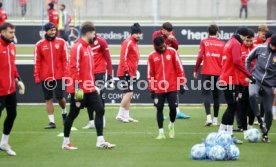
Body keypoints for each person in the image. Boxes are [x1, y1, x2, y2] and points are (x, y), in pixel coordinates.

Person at [63, 21, 115, 149]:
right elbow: (74, 71)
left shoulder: (88, 47)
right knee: (72, 115)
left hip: (90, 88)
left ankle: (100, 141)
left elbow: (89, 70)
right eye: (93, 33)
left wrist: (93, 85)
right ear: (88, 33)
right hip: (79, 90)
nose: (95, 36)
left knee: (100, 109)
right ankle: (65, 143)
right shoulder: (78, 47)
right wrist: (77, 93)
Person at [218, 27, 255, 144]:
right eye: (246, 38)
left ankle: (229, 135)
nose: (245, 41)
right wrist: (249, 75)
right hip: (230, 79)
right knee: (231, 107)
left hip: (227, 78)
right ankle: (220, 134)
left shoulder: (229, 42)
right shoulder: (236, 44)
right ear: (243, 36)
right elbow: (237, 62)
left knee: (232, 107)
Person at [147, 36, 186, 139]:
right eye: (160, 47)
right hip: (158, 88)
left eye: (164, 45)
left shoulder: (172, 52)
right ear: (155, 46)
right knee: (159, 109)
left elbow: (179, 69)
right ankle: (161, 133)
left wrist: (181, 83)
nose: (163, 48)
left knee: (173, 108)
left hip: (172, 86)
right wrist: (151, 89)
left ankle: (171, 125)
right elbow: (150, 74)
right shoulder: (151, 56)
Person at [152, 22, 190, 119]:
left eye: (170, 32)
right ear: (163, 30)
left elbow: (176, 47)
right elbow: (156, 46)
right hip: (160, 61)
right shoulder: (156, 34)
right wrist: (166, 39)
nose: (169, 34)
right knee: (160, 87)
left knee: (173, 85)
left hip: (169, 61)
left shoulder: (170, 34)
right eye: (168, 32)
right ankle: (159, 111)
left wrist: (173, 41)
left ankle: (177, 111)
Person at [34, 22, 68, 129]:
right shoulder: (39, 44)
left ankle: (64, 112)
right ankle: (52, 122)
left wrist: (66, 74)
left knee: (60, 97)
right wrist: (36, 75)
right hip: (46, 77)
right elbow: (37, 61)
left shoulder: (62, 42)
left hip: (59, 76)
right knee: (48, 98)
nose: (53, 32)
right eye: (51, 30)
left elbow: (65, 60)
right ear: (46, 31)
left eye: (54, 30)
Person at [0, 22, 25, 156]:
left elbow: (13, 66)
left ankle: (4, 143)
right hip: (0, 91)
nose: (12, 35)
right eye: (10, 32)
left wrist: (18, 80)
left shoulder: (12, 47)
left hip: (10, 90)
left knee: (12, 114)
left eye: (14, 32)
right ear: (3, 32)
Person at [246, 34, 276, 143]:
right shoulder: (260, 48)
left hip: (270, 84)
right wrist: (248, 75)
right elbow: (248, 59)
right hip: (256, 79)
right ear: (270, 43)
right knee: (252, 95)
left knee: (269, 111)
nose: (273, 48)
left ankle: (265, 134)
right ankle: (259, 119)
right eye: (272, 45)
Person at [193, 24, 225, 126]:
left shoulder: (204, 42)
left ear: (208, 33)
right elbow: (225, 60)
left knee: (206, 95)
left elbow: (200, 57)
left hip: (206, 72)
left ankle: (208, 118)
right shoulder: (223, 44)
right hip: (218, 73)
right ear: (218, 32)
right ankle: (215, 119)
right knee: (216, 96)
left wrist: (196, 69)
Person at [82, 33, 113, 129]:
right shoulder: (84, 42)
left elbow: (108, 59)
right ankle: (91, 122)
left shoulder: (101, 41)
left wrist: (110, 74)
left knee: (99, 96)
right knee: (88, 97)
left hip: (100, 72)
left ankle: (102, 119)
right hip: (88, 73)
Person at [115, 23, 142, 123]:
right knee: (129, 92)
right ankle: (120, 114)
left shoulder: (135, 43)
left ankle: (126, 115)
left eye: (139, 33)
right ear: (132, 34)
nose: (138, 35)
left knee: (128, 94)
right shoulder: (128, 42)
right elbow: (123, 57)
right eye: (136, 33)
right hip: (125, 73)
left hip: (132, 73)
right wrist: (127, 71)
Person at [236, 29, 256, 138]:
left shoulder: (256, 49)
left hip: (254, 83)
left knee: (252, 107)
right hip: (241, 83)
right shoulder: (238, 48)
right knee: (242, 108)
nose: (248, 43)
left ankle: (250, 126)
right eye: (247, 40)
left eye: (250, 40)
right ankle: (244, 130)